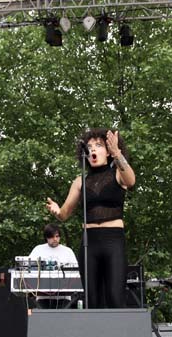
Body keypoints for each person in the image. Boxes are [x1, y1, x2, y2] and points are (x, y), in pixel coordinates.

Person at [45, 128, 136, 308]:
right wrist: (56, 210)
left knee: (115, 297)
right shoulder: (80, 181)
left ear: (108, 151)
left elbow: (131, 180)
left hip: (113, 241)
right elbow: (64, 214)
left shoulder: (118, 173)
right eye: (89, 146)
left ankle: (118, 336)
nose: (93, 149)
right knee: (91, 299)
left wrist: (117, 152)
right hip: (89, 244)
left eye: (98, 145)